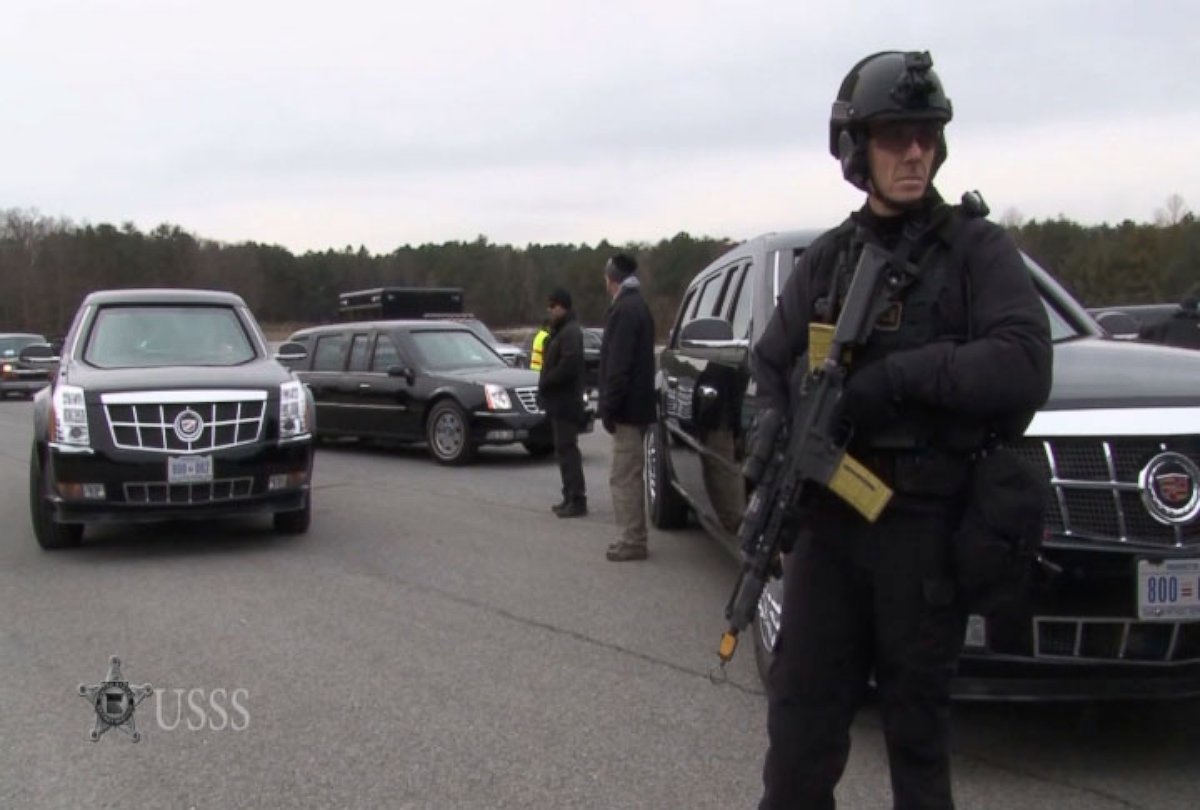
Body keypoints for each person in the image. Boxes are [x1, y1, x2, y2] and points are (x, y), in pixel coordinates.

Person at [751, 51, 1053, 809]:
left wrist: (898, 379)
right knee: (796, 746)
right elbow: (769, 367)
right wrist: (769, 449)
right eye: (894, 136)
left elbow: (1023, 363)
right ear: (858, 149)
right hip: (828, 529)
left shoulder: (975, 252)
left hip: (923, 529)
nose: (913, 151)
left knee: (918, 746)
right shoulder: (825, 263)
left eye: (925, 134)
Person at [598, 252, 657, 562]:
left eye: (606, 278)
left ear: (613, 279)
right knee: (630, 474)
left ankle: (632, 540)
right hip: (638, 408)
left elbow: (618, 367)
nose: (605, 284)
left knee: (624, 476)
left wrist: (608, 407)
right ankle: (633, 536)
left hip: (628, 412)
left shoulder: (624, 310)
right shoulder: (638, 306)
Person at [538, 288, 588, 518]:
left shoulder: (571, 333)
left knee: (568, 450)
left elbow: (569, 364)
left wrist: (548, 380)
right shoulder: (559, 332)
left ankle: (577, 499)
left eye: (553, 305)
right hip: (558, 402)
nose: (549, 310)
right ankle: (568, 495)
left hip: (567, 402)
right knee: (562, 450)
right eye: (548, 305)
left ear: (562, 307)